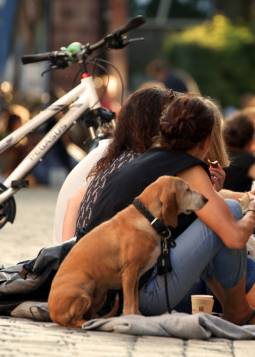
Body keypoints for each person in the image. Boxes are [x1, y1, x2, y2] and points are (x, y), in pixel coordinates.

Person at [81, 94, 255, 326]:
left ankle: (238, 310)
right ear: (206, 141)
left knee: (217, 216)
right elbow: (235, 238)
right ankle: (239, 311)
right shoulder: (189, 168)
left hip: (99, 297)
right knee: (232, 209)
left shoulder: (144, 162)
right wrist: (254, 210)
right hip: (138, 299)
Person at [52, 87, 176, 243]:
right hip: (89, 253)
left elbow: (74, 201)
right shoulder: (137, 161)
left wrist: (66, 254)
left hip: (75, 248)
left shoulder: (117, 153)